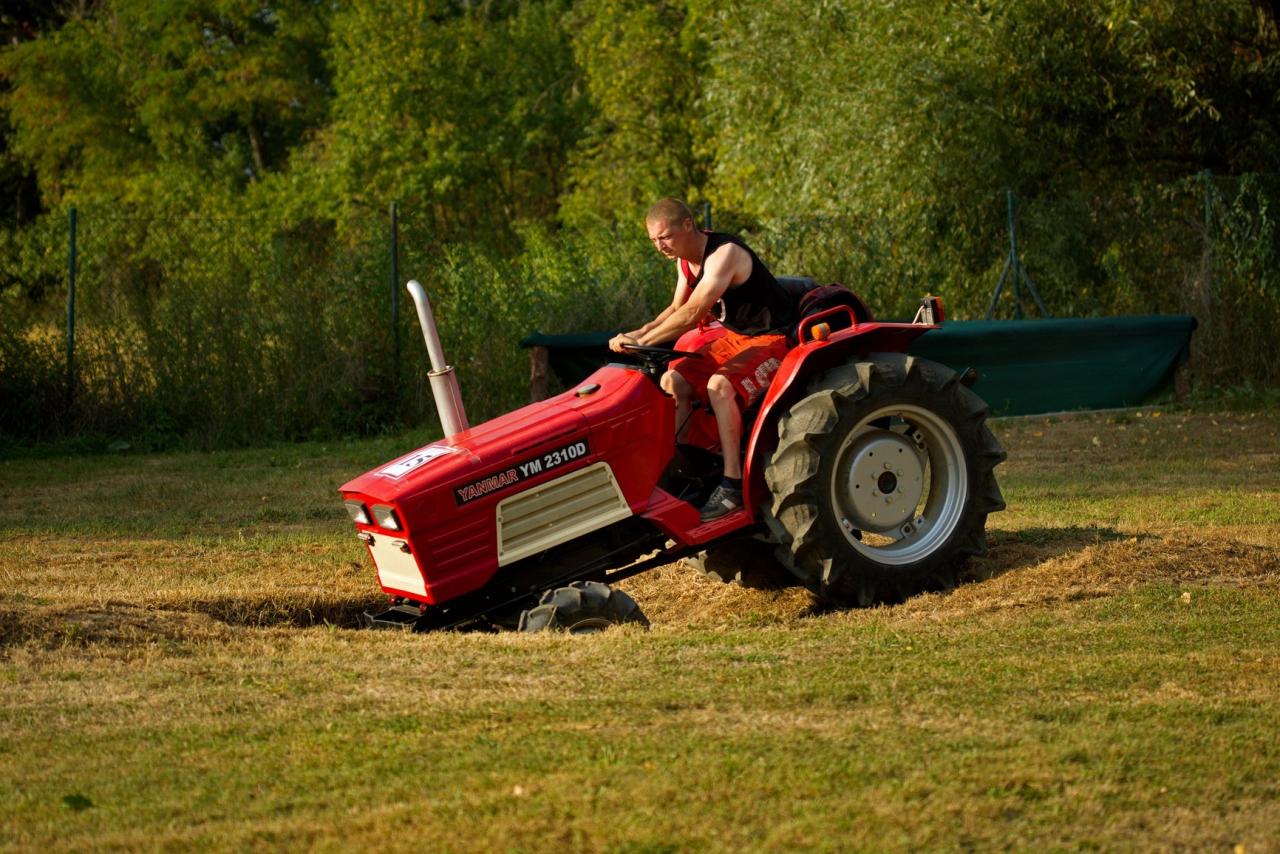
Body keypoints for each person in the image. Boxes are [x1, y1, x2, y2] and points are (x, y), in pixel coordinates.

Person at [609, 198, 796, 521]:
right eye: (654, 240)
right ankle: (686, 468)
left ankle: (732, 484)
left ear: (688, 225)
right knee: (673, 380)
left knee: (719, 386)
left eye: (665, 237)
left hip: (773, 338)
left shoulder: (724, 253)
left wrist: (642, 342)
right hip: (737, 338)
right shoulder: (685, 262)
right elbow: (675, 309)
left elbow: (694, 312)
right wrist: (638, 333)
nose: (659, 247)